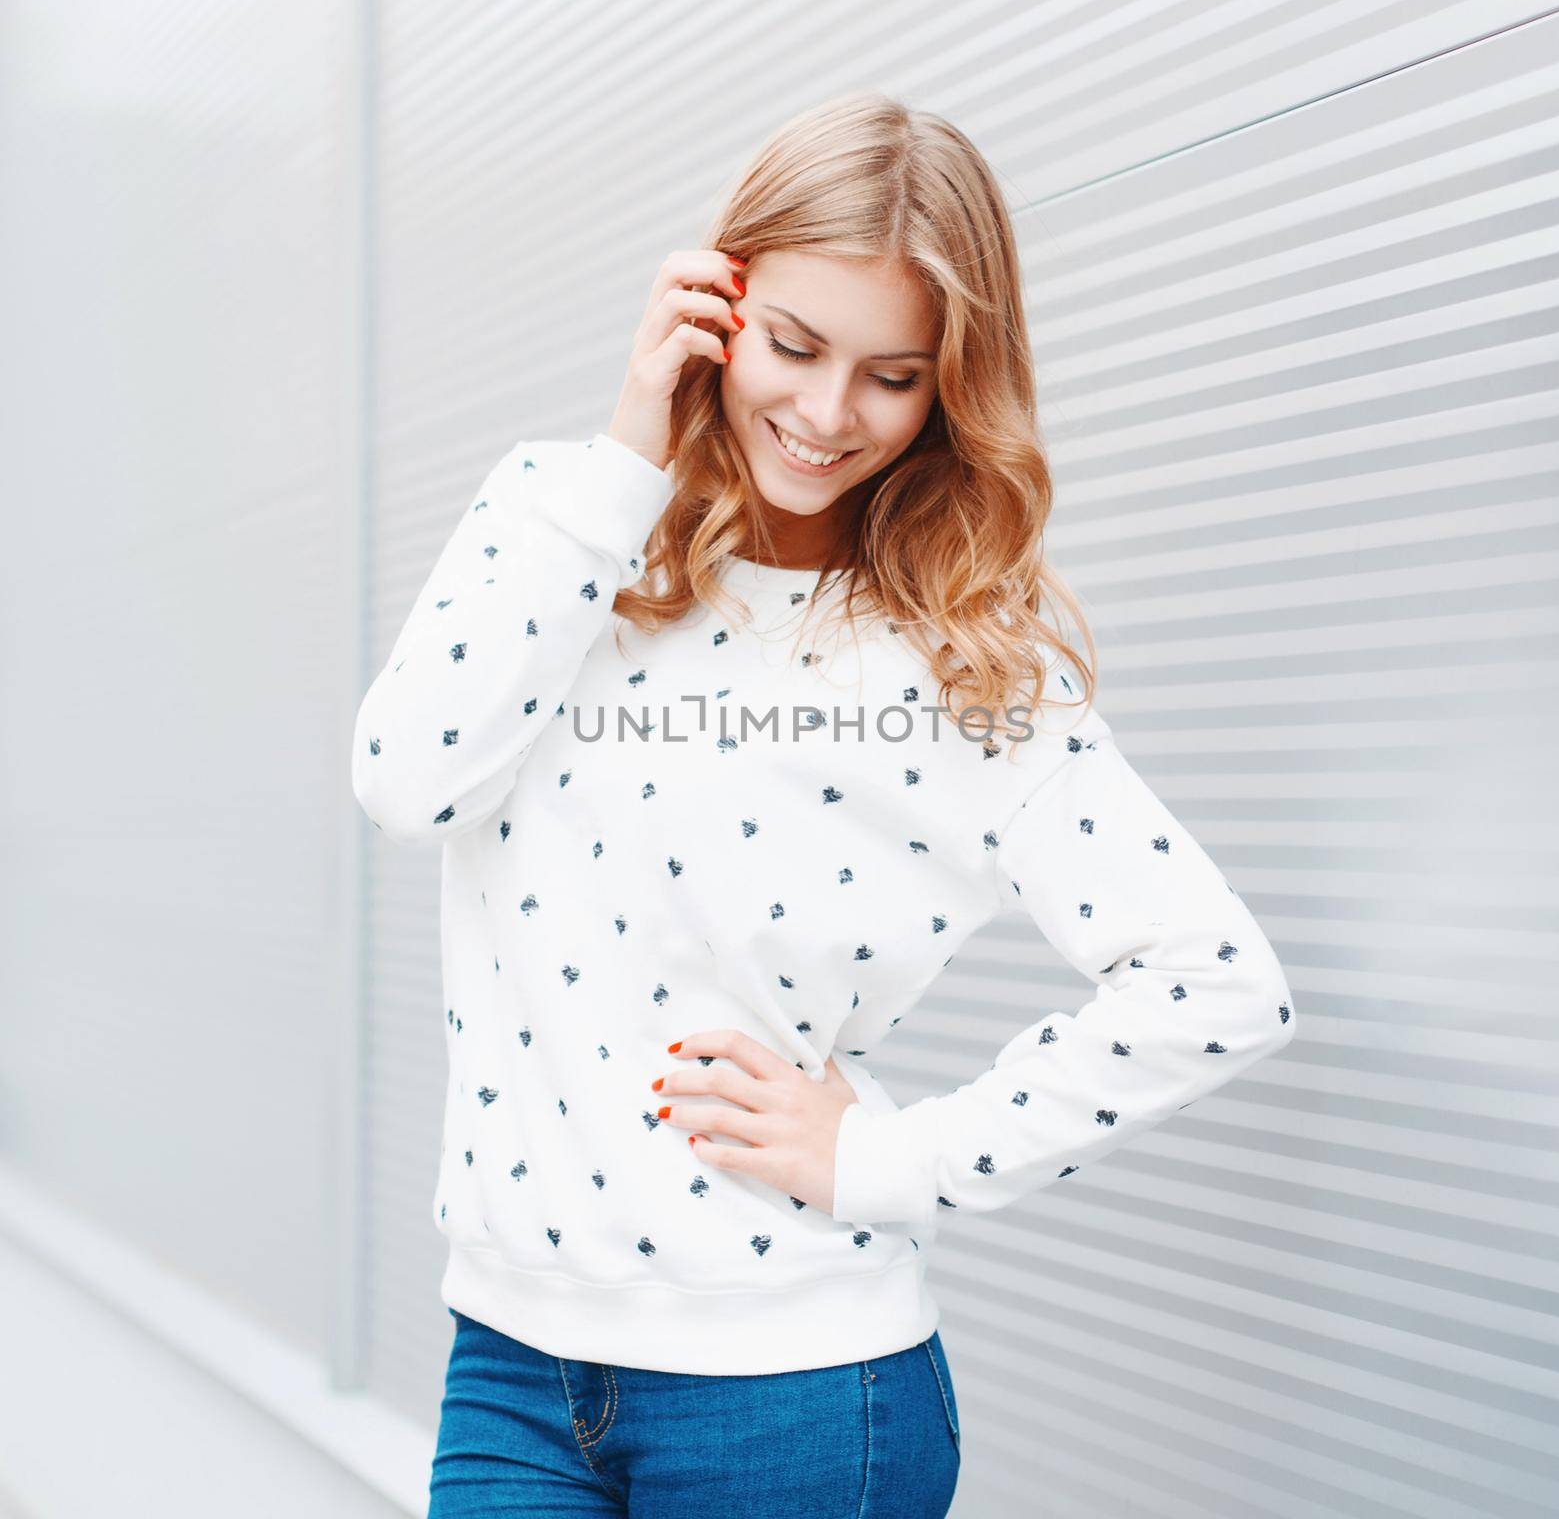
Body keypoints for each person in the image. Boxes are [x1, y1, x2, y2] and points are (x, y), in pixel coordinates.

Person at [351, 90, 1297, 1518]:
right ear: (716, 306)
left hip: (800, 1399)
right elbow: (405, 780)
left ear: (949, 387)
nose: (823, 413)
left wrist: (890, 1157)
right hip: (509, 1363)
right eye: (792, 345)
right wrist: (626, 460)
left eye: (891, 374)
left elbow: (1219, 984)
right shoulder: (558, 519)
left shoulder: (959, 653)